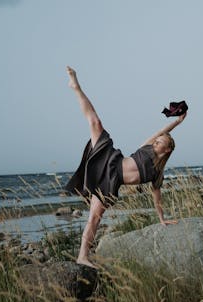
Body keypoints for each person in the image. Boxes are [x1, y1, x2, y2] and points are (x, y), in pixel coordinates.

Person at [65, 66, 187, 267]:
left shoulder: (158, 173)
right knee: (95, 122)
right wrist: (177, 122)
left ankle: (82, 256)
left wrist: (162, 219)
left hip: (111, 183)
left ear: (167, 149)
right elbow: (161, 129)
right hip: (110, 160)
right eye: (157, 139)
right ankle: (76, 86)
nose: (157, 141)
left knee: (94, 218)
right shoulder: (147, 148)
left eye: (161, 141)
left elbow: (157, 199)